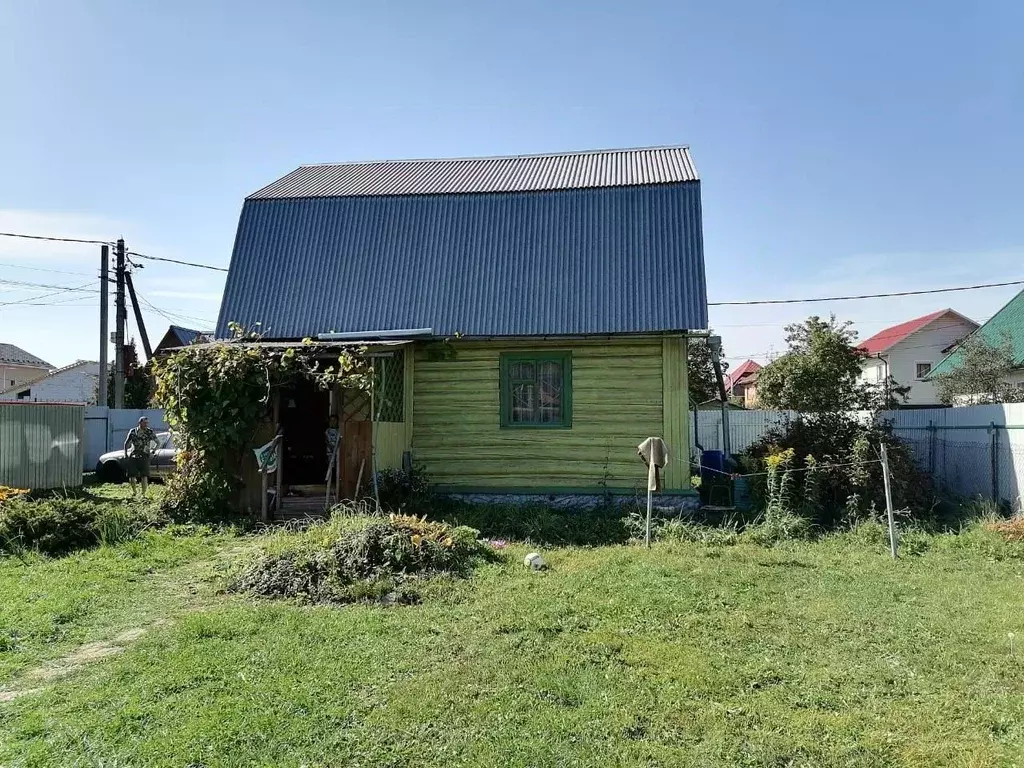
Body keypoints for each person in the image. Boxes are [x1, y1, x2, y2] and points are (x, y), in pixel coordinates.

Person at [124, 416, 157, 497]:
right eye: (144, 422)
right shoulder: (133, 431)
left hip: (144, 455)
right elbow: (126, 443)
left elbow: (157, 442)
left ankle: (143, 494)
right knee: (132, 475)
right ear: (140, 423)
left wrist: (153, 450)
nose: (146, 424)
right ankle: (134, 492)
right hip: (134, 455)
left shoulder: (149, 431)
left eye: (147, 423)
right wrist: (125, 454)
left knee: (144, 475)